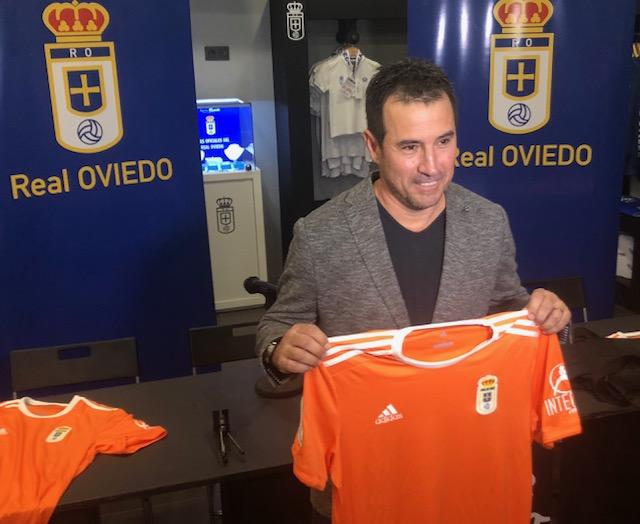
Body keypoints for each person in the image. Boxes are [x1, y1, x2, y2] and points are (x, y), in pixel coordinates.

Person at [256, 58, 571, 522]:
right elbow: (277, 323)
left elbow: (508, 306)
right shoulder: (320, 234)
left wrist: (544, 315)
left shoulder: (488, 221)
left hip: (468, 468)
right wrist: (279, 349)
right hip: (372, 478)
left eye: (444, 141)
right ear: (372, 146)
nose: (432, 166)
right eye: (410, 147)